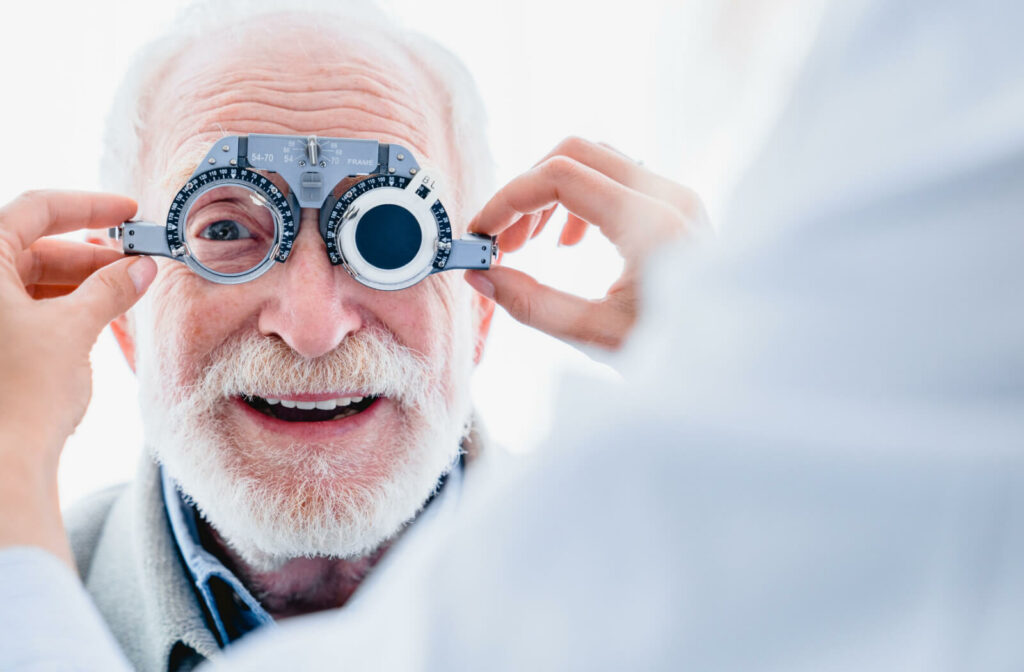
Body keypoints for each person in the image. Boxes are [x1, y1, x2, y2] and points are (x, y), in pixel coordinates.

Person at [0, 1, 701, 670]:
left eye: (390, 235)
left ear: (476, 309)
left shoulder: (679, 588)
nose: (312, 328)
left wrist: (732, 373)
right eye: (222, 230)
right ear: (123, 312)